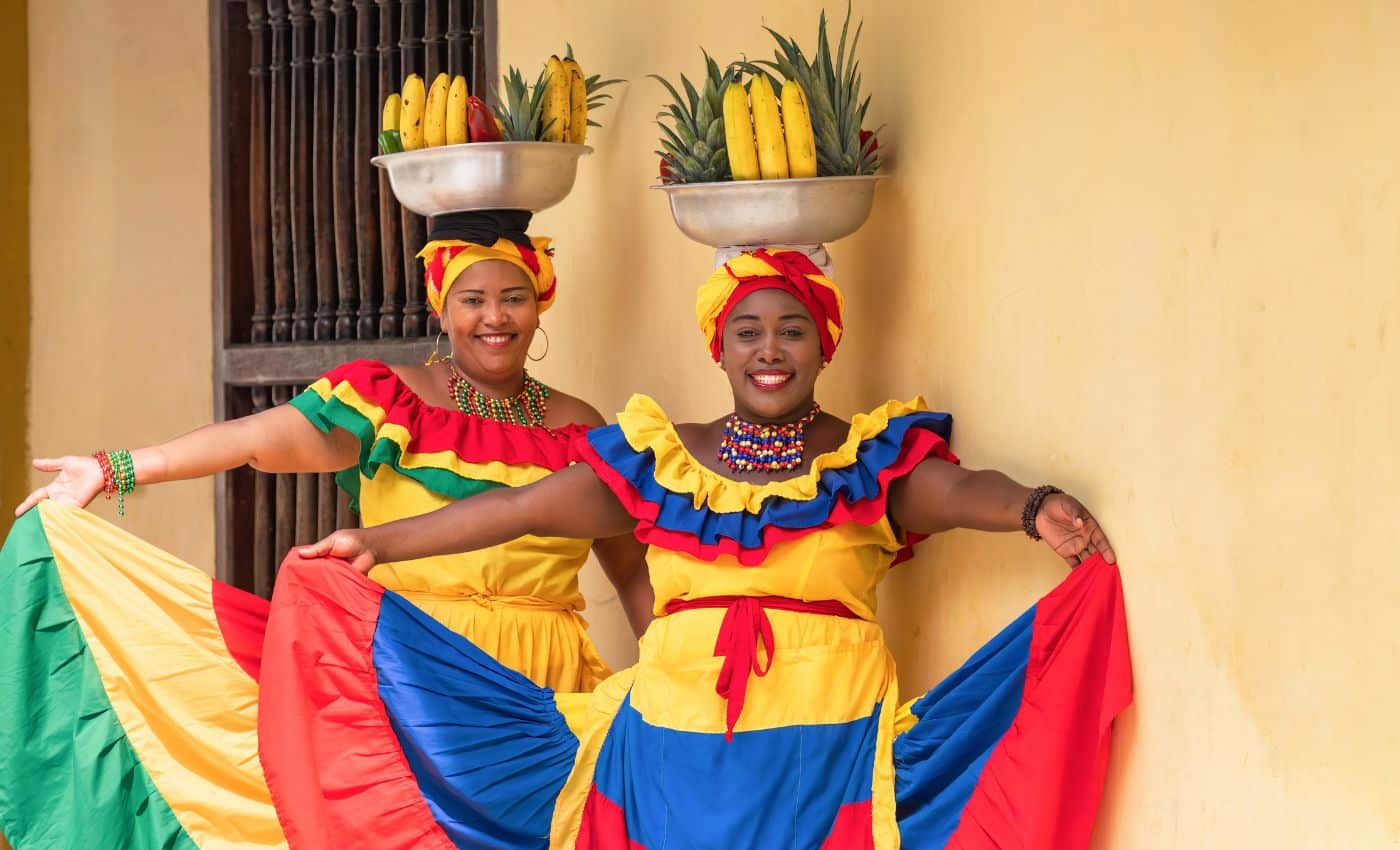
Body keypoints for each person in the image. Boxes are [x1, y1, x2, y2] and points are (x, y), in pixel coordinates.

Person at [273, 247, 1133, 849]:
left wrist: (1034, 507)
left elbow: (956, 487)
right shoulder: (663, 459)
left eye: (791, 330)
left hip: (822, 754)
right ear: (718, 346)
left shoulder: (864, 458)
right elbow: (523, 508)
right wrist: (374, 541)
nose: (769, 349)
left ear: (822, 345)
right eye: (748, 330)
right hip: (666, 752)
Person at [0, 212, 651, 850]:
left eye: (513, 298)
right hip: (412, 677)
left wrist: (677, 672)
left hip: (545, 686)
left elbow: (630, 570)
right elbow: (256, 440)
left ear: (540, 305)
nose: (495, 318)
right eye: (472, 299)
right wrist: (114, 469)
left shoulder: (581, 426)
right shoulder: (392, 399)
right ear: (441, 306)